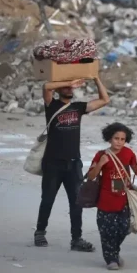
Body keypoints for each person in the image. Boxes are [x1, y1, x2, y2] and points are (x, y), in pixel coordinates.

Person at [34, 77, 109, 251]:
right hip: (52, 163)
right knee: (47, 200)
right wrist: (68, 83)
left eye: (71, 88)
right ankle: (40, 232)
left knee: (76, 202)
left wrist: (97, 79)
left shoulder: (78, 107)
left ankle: (77, 239)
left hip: (74, 164)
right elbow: (46, 86)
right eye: (65, 87)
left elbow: (105, 100)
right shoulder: (51, 105)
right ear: (59, 89)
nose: (69, 89)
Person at [86, 122, 137, 270]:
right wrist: (100, 164)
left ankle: (114, 253)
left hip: (124, 199)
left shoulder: (128, 154)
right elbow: (91, 176)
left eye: (122, 139)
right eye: (116, 138)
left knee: (123, 229)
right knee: (106, 232)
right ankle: (111, 259)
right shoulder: (101, 155)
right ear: (109, 139)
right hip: (106, 200)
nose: (119, 142)